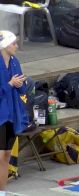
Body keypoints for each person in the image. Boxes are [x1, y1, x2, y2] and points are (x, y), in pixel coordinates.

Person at [0, 30, 28, 190]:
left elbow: (23, 89)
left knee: (5, 156)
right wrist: (10, 84)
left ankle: (2, 192)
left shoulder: (14, 61)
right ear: (4, 45)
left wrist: (19, 84)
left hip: (12, 115)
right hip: (1, 115)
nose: (16, 46)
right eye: (13, 43)